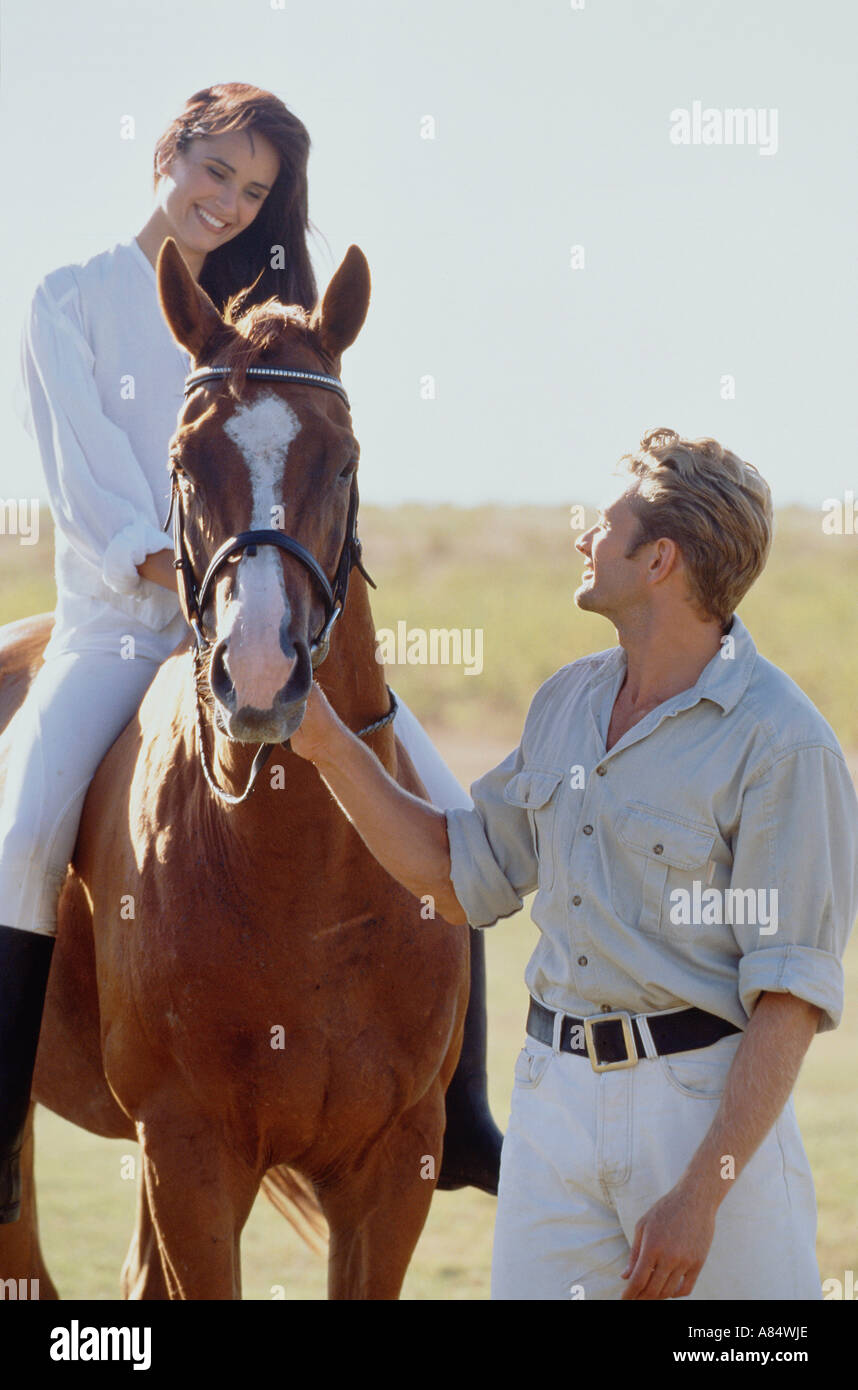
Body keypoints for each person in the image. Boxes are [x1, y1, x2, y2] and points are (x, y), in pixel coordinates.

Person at [0, 82, 501, 1225]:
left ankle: (461, 1116)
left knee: (449, 808)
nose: (228, 204)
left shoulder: (272, 316)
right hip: (122, 630)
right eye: (215, 172)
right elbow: (90, 495)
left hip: (269, 623)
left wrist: (270, 605)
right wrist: (192, 589)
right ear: (168, 152)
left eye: (256, 191)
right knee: (23, 829)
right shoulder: (67, 299)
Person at [289, 427, 858, 1300]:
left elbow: (789, 997)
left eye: (603, 522)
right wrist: (324, 742)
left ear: (659, 558)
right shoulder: (567, 702)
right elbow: (457, 873)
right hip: (551, 1107)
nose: (582, 537)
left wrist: (702, 1195)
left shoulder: (784, 745)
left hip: (703, 1118)